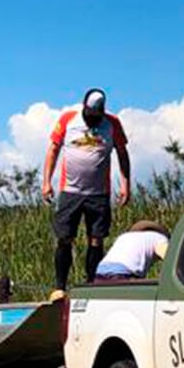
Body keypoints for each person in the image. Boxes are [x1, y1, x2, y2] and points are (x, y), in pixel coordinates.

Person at [42, 88, 131, 300]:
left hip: (98, 193)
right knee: (65, 238)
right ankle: (60, 287)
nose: (93, 120)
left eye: (96, 116)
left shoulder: (112, 124)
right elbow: (53, 150)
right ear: (84, 108)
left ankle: (92, 286)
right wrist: (46, 182)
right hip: (70, 191)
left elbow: (122, 153)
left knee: (96, 240)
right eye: (90, 116)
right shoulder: (68, 120)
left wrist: (125, 185)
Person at [95, 220, 171, 281]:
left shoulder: (124, 236)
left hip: (100, 271)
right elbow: (168, 258)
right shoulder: (159, 238)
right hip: (123, 273)